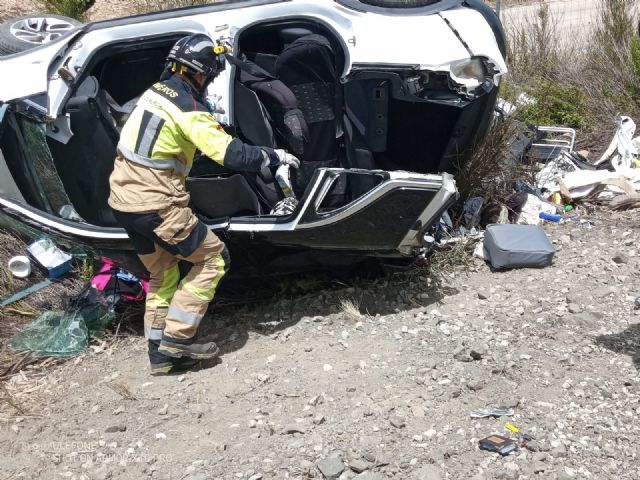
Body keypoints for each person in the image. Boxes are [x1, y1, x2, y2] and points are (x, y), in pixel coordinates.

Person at [108, 33, 300, 375]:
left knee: (162, 273)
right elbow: (230, 154)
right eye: (210, 76)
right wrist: (273, 155)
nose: (210, 82)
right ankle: (177, 341)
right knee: (213, 258)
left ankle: (159, 355)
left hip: (125, 204)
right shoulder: (190, 110)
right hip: (157, 205)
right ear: (200, 73)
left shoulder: (154, 93)